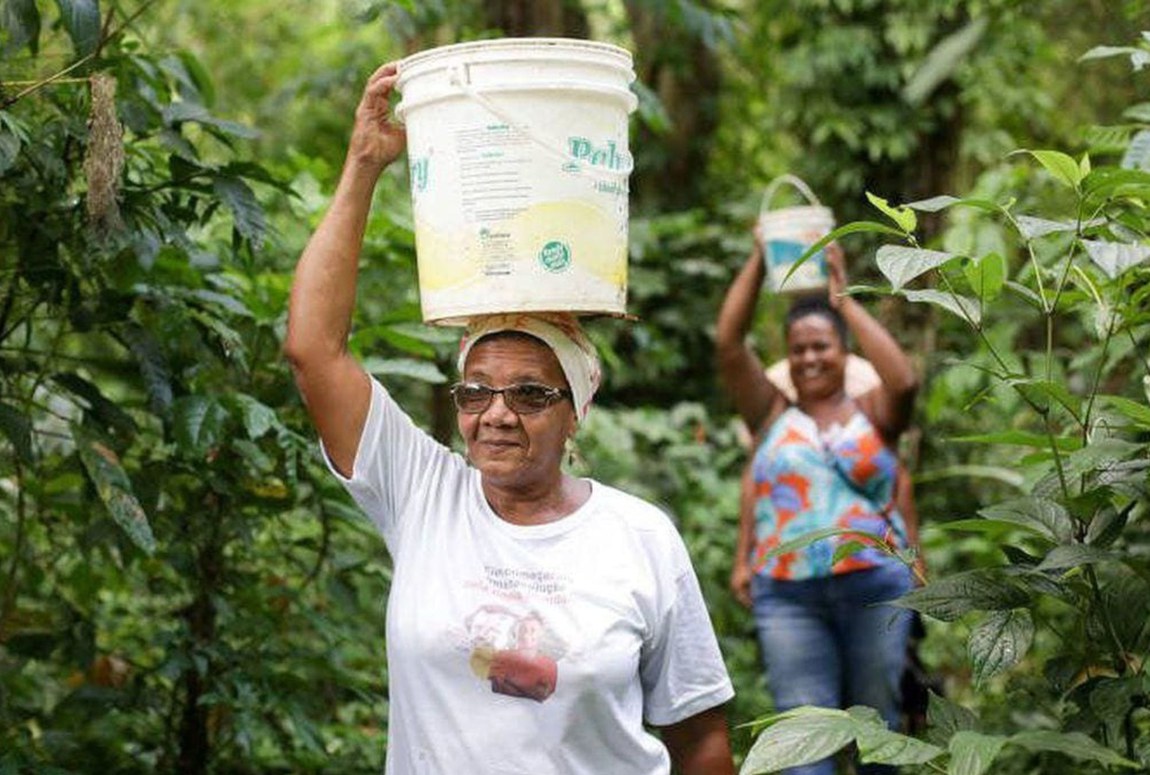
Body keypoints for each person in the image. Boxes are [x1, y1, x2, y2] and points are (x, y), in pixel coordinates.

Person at [284, 61, 735, 775]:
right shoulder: (425, 496)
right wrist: (365, 163)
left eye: (530, 395)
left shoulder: (640, 538)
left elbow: (702, 739)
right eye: (476, 392)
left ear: (575, 413)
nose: (496, 415)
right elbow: (312, 349)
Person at [716, 226, 920, 775]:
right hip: (787, 595)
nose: (809, 357)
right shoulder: (771, 414)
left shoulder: (873, 411)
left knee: (878, 730)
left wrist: (843, 300)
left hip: (874, 583)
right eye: (798, 348)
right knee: (804, 738)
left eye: (821, 346)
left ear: (842, 351)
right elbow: (729, 343)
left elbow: (903, 382)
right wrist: (760, 258)